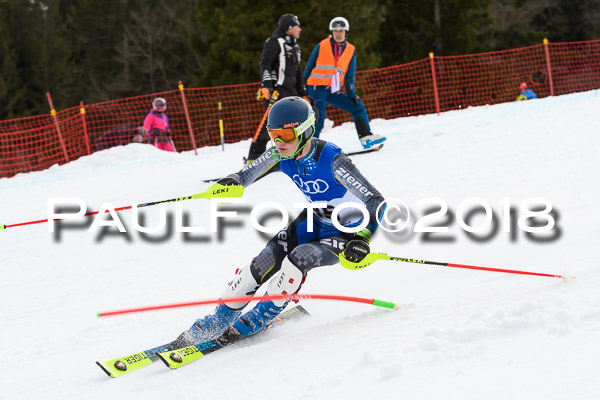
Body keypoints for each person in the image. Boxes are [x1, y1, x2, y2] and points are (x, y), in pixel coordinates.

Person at [184, 97, 385, 344]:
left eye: (286, 135)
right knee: (263, 261)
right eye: (273, 134)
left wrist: (363, 239)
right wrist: (230, 183)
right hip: (314, 220)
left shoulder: (331, 158)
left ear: (305, 131)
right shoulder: (279, 153)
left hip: (344, 233)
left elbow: (376, 202)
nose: (279, 142)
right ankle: (219, 319)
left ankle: (260, 317)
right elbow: (245, 175)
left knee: (298, 258)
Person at [304, 17, 386, 149]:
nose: (338, 33)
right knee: (319, 118)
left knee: (357, 107)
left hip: (333, 90)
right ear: (332, 31)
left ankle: (366, 138)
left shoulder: (351, 50)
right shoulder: (321, 45)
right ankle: (310, 150)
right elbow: (309, 67)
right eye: (335, 30)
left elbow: (349, 75)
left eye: (341, 30)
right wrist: (303, 89)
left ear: (345, 32)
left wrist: (352, 95)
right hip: (316, 88)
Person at [246, 13, 308, 163]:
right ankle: (254, 157)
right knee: (271, 123)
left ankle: (297, 152)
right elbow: (265, 64)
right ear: (289, 28)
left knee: (297, 122)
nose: (300, 29)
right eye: (297, 26)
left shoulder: (295, 46)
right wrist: (266, 85)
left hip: (289, 91)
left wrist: (303, 92)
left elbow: (298, 72)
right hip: (276, 90)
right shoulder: (274, 42)